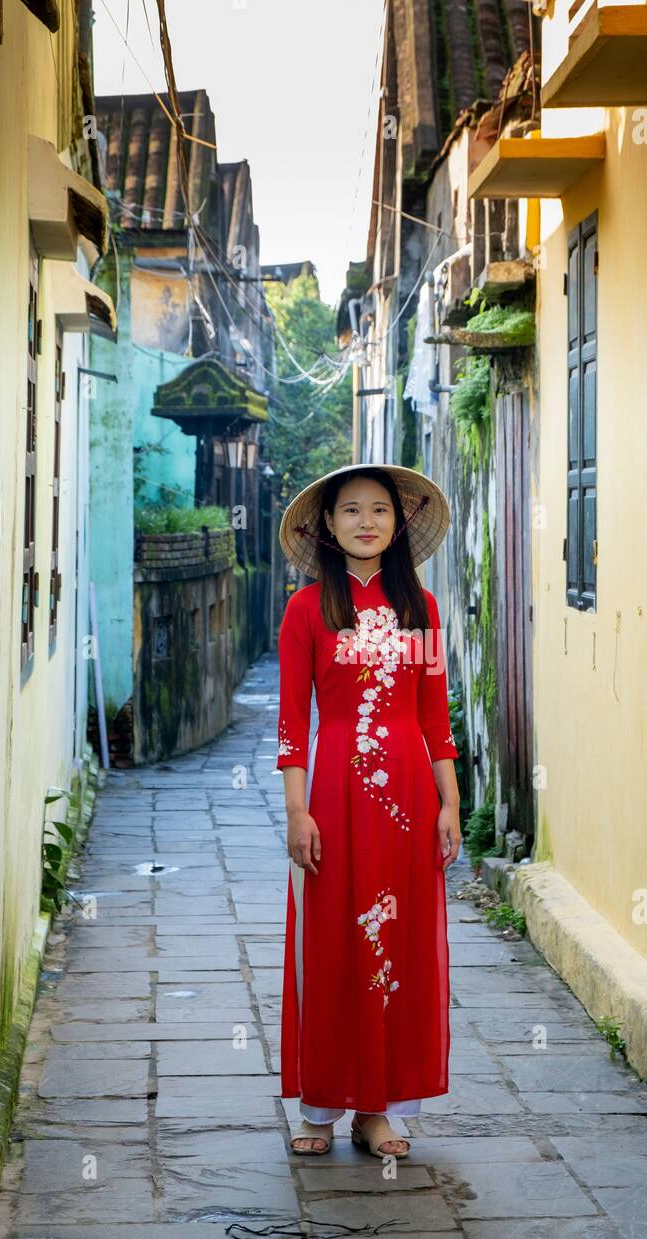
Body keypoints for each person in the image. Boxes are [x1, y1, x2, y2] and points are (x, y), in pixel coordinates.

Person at [275, 463, 462, 1160]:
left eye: (378, 509)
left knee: (399, 946)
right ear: (326, 525)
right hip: (335, 797)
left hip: (410, 799)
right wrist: (298, 811)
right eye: (350, 510)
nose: (364, 521)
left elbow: (433, 717)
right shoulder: (306, 611)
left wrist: (450, 802)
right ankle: (320, 1104)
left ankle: (378, 1108)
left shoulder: (423, 610)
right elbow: (293, 723)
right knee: (331, 942)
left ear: (399, 522)